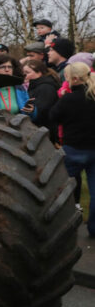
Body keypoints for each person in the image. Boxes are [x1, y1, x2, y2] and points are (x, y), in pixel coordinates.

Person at [50, 62, 95, 237]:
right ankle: (94, 228)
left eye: (67, 77)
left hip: (73, 149)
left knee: (60, 190)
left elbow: (53, 116)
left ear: (74, 79)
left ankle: (60, 227)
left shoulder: (68, 99)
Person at [22, 59, 60, 140]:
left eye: (27, 73)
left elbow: (43, 111)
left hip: (46, 134)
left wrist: (32, 111)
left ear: (39, 73)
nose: (24, 75)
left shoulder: (46, 87)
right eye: (23, 73)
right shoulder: (35, 86)